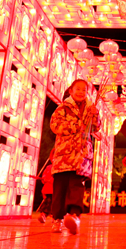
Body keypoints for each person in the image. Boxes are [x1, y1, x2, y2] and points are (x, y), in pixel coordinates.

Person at [49, 78, 101, 235]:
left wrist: (95, 116)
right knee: (60, 189)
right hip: (64, 156)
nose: (81, 92)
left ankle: (74, 216)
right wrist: (77, 126)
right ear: (70, 91)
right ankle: (57, 219)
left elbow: (95, 128)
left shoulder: (90, 109)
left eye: (84, 90)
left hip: (82, 155)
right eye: (78, 89)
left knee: (77, 186)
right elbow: (55, 125)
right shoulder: (63, 108)